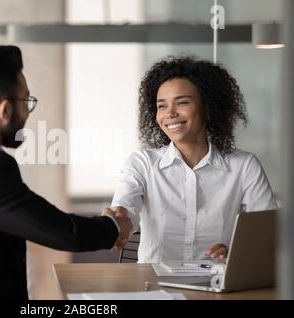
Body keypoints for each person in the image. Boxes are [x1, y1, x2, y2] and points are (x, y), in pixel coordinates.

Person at [0, 46, 132, 300]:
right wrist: (114, 227)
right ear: (5, 110)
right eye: (26, 102)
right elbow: (60, 230)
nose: (27, 114)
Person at [108, 56, 277, 263]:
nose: (170, 113)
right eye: (161, 106)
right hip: (154, 288)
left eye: (182, 102)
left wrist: (234, 251)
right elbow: (125, 210)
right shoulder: (142, 163)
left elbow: (267, 235)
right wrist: (119, 221)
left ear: (208, 106)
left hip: (217, 286)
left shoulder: (244, 166)